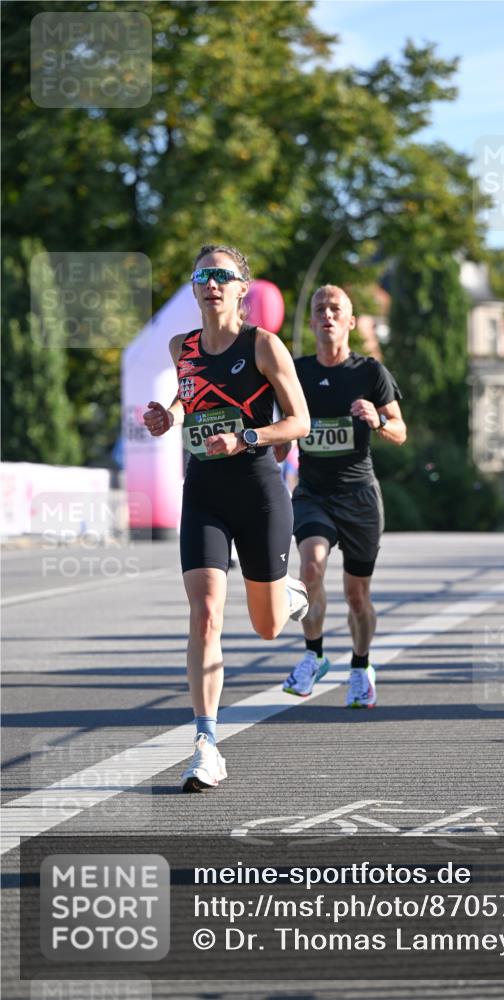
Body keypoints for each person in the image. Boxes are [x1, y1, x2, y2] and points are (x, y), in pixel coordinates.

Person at [143, 244, 311, 792]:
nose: (212, 283)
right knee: (206, 612)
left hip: (259, 490)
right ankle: (206, 743)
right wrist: (166, 414)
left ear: (243, 288)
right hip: (205, 492)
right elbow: (189, 394)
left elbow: (301, 422)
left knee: (266, 627)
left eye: (223, 275)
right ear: (194, 288)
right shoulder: (181, 347)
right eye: (203, 275)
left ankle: (290, 594)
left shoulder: (263, 345)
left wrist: (245, 437)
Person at [276, 284, 406, 708]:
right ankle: (313, 656)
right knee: (310, 568)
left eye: (336, 309)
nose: (327, 315)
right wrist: (276, 442)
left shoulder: (370, 373)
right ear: (312, 322)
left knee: (357, 594)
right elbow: (283, 435)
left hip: (360, 495)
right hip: (314, 493)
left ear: (350, 322)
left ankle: (361, 665)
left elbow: (401, 431)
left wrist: (377, 419)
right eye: (320, 309)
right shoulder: (296, 373)